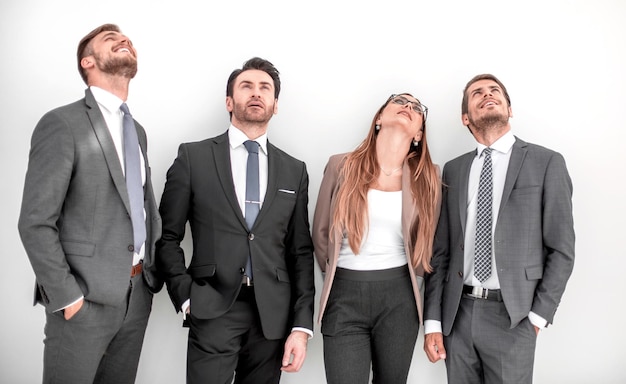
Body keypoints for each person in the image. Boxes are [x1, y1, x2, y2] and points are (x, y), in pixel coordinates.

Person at [17, 24, 162, 384]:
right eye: (111, 40)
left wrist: (147, 279)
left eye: (127, 39)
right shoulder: (62, 123)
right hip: (84, 302)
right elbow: (35, 221)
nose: (124, 40)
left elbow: (139, 207)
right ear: (88, 62)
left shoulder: (137, 130)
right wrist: (68, 298)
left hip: (136, 295)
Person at [157, 57, 315, 384]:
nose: (256, 94)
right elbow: (167, 237)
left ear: (275, 105)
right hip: (211, 306)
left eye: (265, 88)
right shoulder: (193, 157)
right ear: (230, 101)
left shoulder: (294, 169)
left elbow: (300, 252)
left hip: (272, 315)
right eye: (246, 87)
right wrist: (186, 298)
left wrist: (300, 327)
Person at [423, 74, 575, 383]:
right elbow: (441, 252)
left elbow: (561, 249)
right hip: (458, 315)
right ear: (466, 117)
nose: (487, 95)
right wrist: (433, 323)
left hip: (514, 318)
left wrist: (536, 317)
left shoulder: (546, 162)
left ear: (509, 108)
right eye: (477, 93)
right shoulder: (454, 169)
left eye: (495, 91)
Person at [312, 93, 441, 383]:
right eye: (399, 102)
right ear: (379, 118)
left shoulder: (429, 177)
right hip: (343, 295)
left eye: (416, 108)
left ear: (419, 133)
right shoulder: (340, 165)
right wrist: (338, 276)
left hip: (399, 298)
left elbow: (428, 244)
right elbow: (321, 234)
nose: (408, 107)